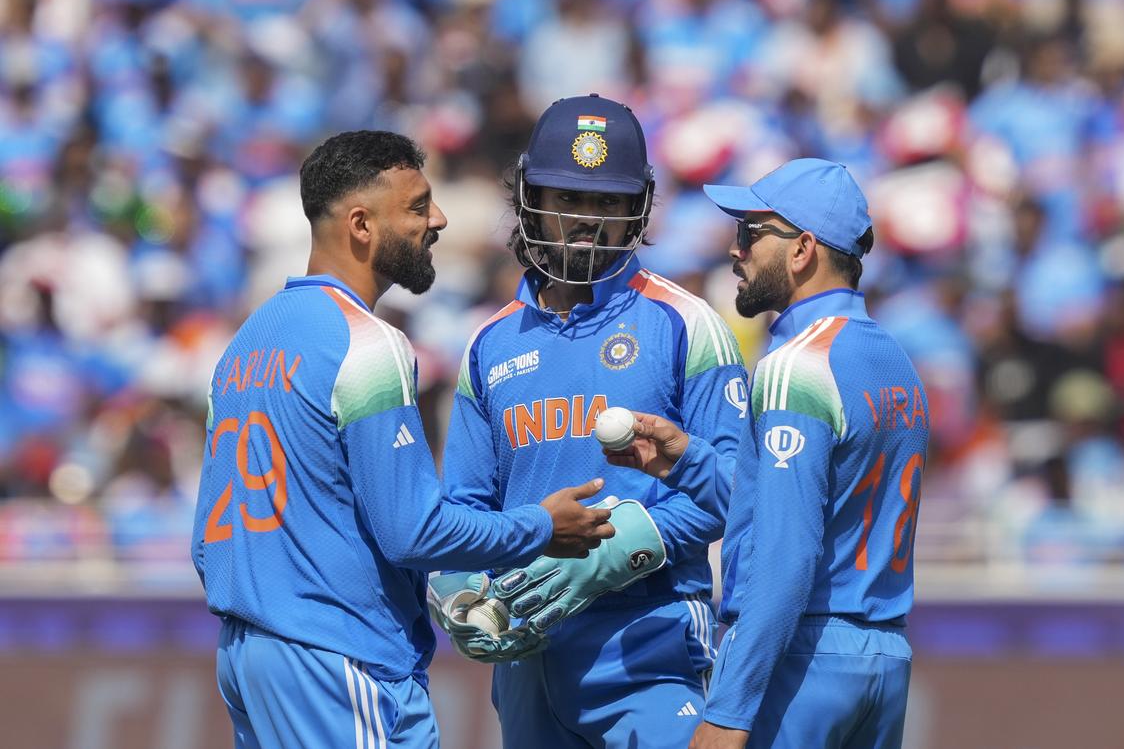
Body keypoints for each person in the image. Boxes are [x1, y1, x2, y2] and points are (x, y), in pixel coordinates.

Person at [189, 130, 615, 748]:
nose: (438, 219)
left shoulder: (246, 343)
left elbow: (207, 543)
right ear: (361, 224)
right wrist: (544, 526)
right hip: (338, 658)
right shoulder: (367, 343)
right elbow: (413, 531)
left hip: (248, 657)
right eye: (417, 206)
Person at [437, 94, 748, 747]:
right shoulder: (488, 344)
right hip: (525, 644)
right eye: (567, 197)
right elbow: (465, 502)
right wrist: (460, 587)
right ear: (529, 197)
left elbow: (740, 489)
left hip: (648, 642)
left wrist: (623, 546)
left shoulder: (686, 325)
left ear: (638, 205)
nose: (585, 220)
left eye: (607, 203)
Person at [607, 159, 929, 748]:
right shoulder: (895, 361)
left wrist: (729, 710)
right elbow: (811, 510)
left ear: (804, 248)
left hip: (802, 659)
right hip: (883, 659)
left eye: (751, 233)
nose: (735, 250)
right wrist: (686, 462)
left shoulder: (794, 366)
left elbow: (787, 552)